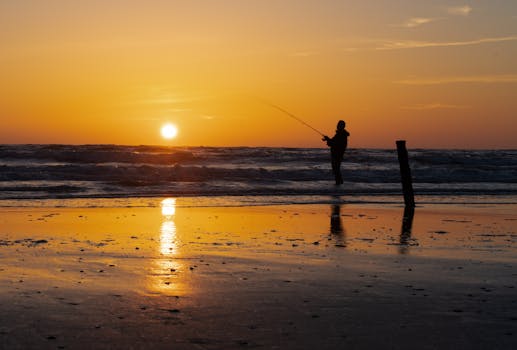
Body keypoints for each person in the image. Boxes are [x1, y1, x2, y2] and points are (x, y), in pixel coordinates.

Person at [322, 120, 350, 185]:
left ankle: (339, 183)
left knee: (336, 170)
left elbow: (335, 144)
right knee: (336, 170)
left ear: (342, 126)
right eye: (337, 125)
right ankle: (339, 183)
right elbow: (333, 142)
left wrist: (328, 140)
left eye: (339, 125)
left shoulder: (341, 134)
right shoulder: (340, 134)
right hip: (337, 154)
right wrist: (328, 139)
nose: (337, 126)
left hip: (337, 155)